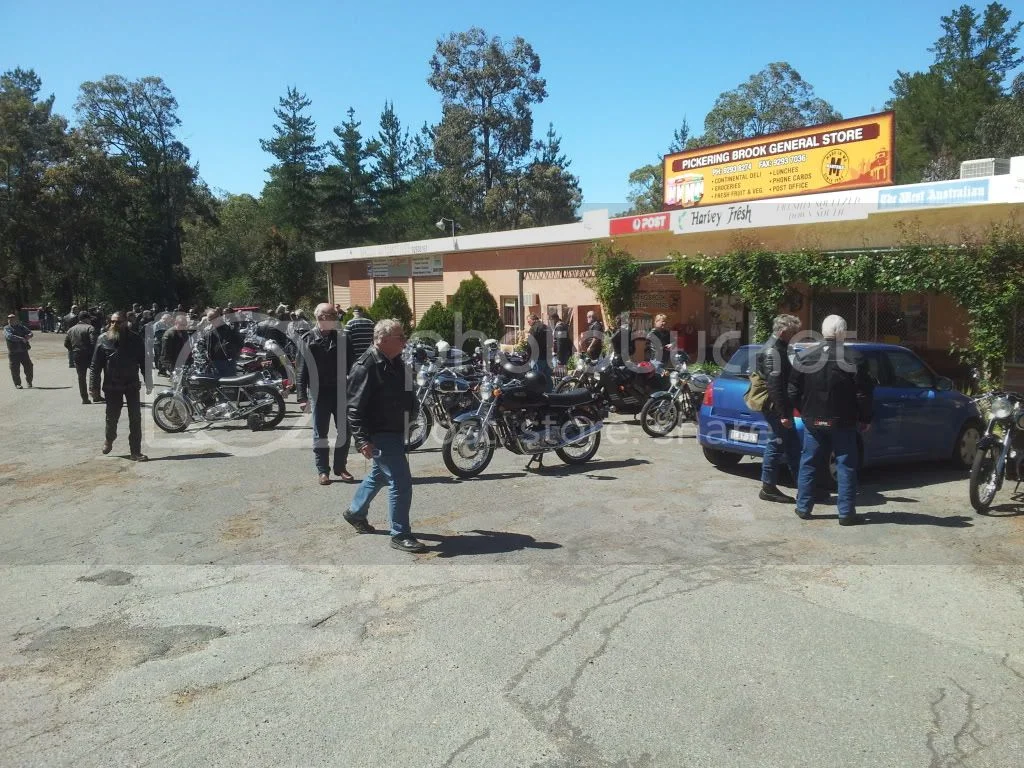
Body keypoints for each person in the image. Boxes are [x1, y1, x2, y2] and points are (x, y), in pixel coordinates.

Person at [345, 318, 427, 554]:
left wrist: (412, 415)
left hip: (395, 429)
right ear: (383, 340)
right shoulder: (366, 366)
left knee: (380, 474)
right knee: (401, 482)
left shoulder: (395, 361)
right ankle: (400, 534)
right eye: (400, 337)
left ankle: (355, 512)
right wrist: (362, 440)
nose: (405, 341)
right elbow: (354, 408)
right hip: (380, 432)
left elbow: (407, 392)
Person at [788, 315, 874, 525]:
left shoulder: (805, 356)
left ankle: (803, 507)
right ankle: (846, 513)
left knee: (809, 462)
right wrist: (865, 418)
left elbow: (792, 390)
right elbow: (863, 393)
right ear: (843, 332)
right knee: (846, 465)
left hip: (813, 420)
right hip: (842, 421)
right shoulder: (854, 358)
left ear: (822, 331)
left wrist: (804, 411)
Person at [296, 303, 354, 485]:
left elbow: (353, 367)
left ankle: (340, 467)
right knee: (320, 433)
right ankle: (323, 471)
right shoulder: (307, 339)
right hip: (318, 393)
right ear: (321, 318)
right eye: (333, 315)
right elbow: (301, 370)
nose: (337, 318)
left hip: (341, 391)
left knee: (345, 431)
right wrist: (301, 397)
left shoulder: (343, 338)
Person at [90, 311, 149, 461]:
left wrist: (148, 380)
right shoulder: (103, 339)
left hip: (131, 384)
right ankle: (109, 438)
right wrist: (93, 387)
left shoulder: (136, 339)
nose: (114, 324)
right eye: (112, 321)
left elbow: (144, 361)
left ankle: (135, 451)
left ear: (126, 323)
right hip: (112, 385)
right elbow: (95, 365)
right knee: (112, 417)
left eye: (118, 322)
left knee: (135, 418)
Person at [756, 314, 803, 503]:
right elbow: (774, 385)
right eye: (793, 333)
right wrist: (783, 414)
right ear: (783, 332)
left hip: (781, 407)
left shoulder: (779, 348)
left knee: (792, 446)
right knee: (776, 445)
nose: (795, 336)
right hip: (777, 408)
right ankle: (768, 487)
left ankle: (805, 488)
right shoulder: (772, 351)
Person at [64, 311, 99, 404]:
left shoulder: (71, 329)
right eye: (89, 319)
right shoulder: (90, 328)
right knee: (95, 374)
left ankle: (84, 398)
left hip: (77, 354)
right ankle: (95, 395)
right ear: (86, 319)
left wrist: (74, 349)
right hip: (90, 354)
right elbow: (93, 342)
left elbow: (66, 343)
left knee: (81, 377)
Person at [198, 308, 242, 377]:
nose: (212, 322)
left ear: (219, 317)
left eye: (214, 319)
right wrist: (204, 352)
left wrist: (234, 354)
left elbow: (240, 342)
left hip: (228, 362)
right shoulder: (208, 331)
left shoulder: (230, 328)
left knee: (230, 381)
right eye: (210, 320)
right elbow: (201, 343)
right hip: (213, 362)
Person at [4, 313, 33, 389]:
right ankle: (17, 384)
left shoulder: (21, 327)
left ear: (16, 320)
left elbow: (30, 332)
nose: (10, 320)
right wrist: (21, 338)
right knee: (15, 369)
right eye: (9, 319)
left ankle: (29, 382)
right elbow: (9, 336)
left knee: (29, 367)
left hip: (23, 351)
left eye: (12, 319)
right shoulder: (7, 328)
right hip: (13, 352)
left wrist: (29, 336)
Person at [526, 313, 552, 391]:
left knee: (537, 376)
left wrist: (528, 356)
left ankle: (538, 392)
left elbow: (530, 344)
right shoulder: (547, 327)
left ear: (533, 320)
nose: (528, 323)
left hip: (537, 357)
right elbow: (551, 342)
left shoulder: (534, 328)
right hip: (547, 356)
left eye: (529, 321)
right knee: (547, 376)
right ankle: (549, 392)